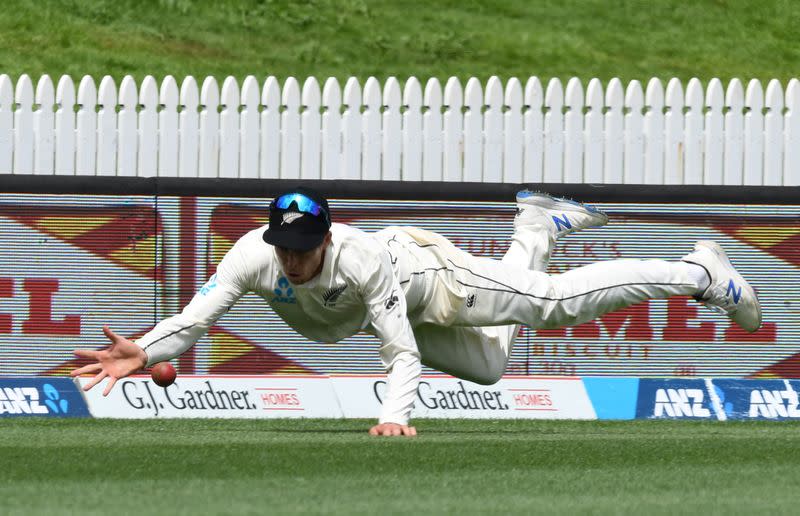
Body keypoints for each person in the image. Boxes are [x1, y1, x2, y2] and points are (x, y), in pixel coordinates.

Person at [71, 187, 761, 436]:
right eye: (285, 246)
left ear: (327, 238)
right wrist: (147, 350)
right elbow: (197, 317)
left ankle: (698, 271)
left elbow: (401, 351)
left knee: (548, 308)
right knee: (490, 367)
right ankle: (538, 226)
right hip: (394, 308)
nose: (292, 260)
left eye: (303, 247)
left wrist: (394, 416)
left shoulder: (359, 258)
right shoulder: (254, 254)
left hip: (431, 277)